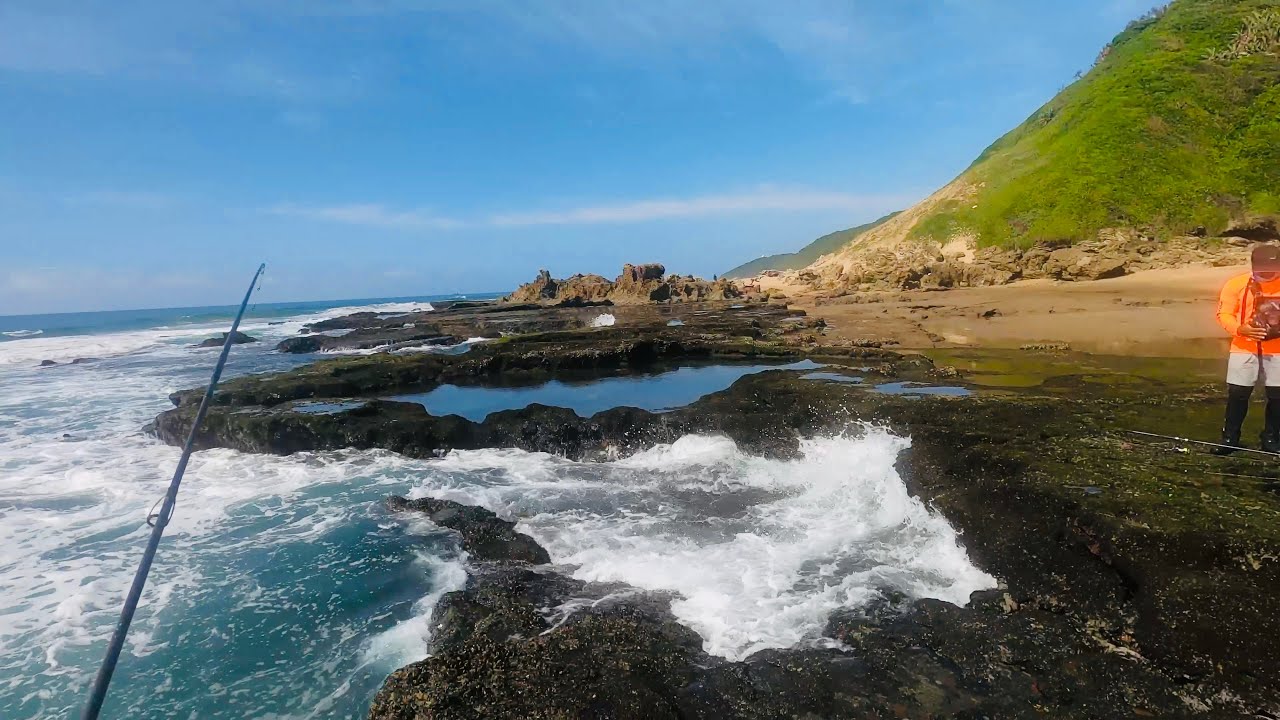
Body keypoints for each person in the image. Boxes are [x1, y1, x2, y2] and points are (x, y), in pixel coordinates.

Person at [1213, 244, 1280, 454]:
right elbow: (1224, 314)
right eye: (1261, 268)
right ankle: (1230, 439)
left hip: (1278, 349)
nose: (1267, 272)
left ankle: (1271, 439)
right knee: (1238, 394)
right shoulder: (1237, 284)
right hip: (1244, 346)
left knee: (1277, 396)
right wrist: (1240, 329)